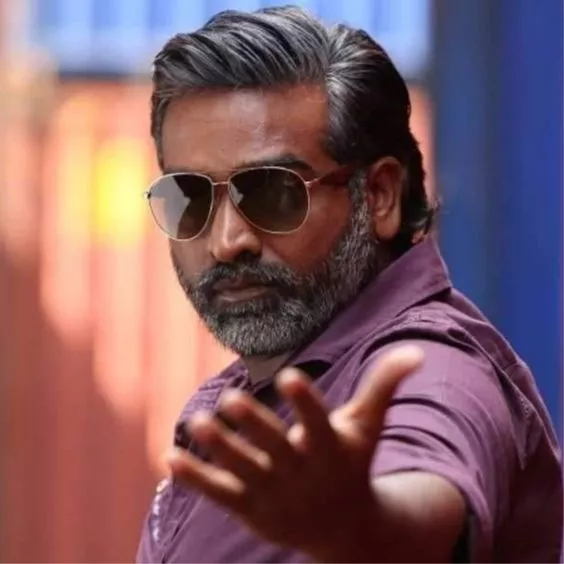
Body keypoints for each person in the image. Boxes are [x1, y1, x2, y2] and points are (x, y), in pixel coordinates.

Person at [136, 5, 562, 563]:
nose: (226, 241)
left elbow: (420, 488)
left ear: (379, 195)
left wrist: (360, 525)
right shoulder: (243, 399)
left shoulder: (433, 365)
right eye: (188, 197)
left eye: (273, 192)